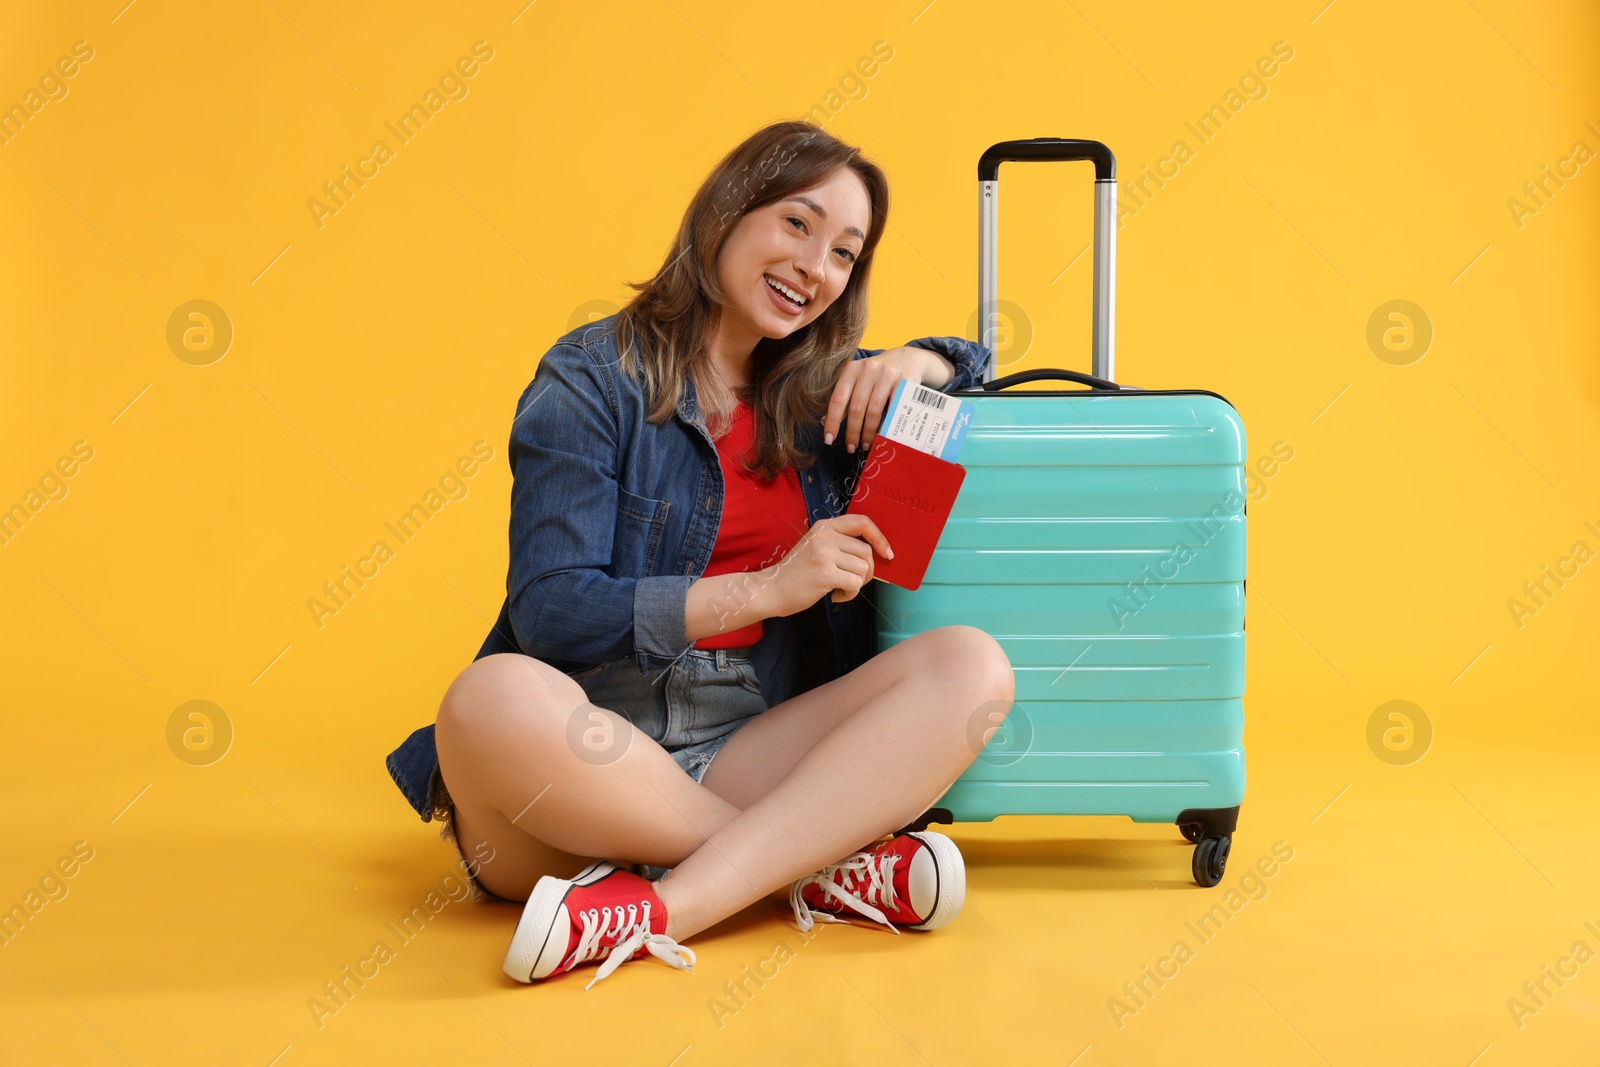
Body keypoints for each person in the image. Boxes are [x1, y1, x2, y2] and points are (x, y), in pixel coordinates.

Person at [384, 119, 1016, 990]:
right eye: (797, 224)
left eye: (844, 252)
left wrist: (926, 359)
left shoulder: (820, 395)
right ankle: (812, 868)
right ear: (727, 210)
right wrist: (766, 589)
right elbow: (553, 609)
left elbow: (985, 373)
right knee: (485, 698)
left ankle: (653, 909)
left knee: (971, 668)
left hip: (743, 742)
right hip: (577, 758)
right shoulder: (591, 376)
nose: (815, 266)